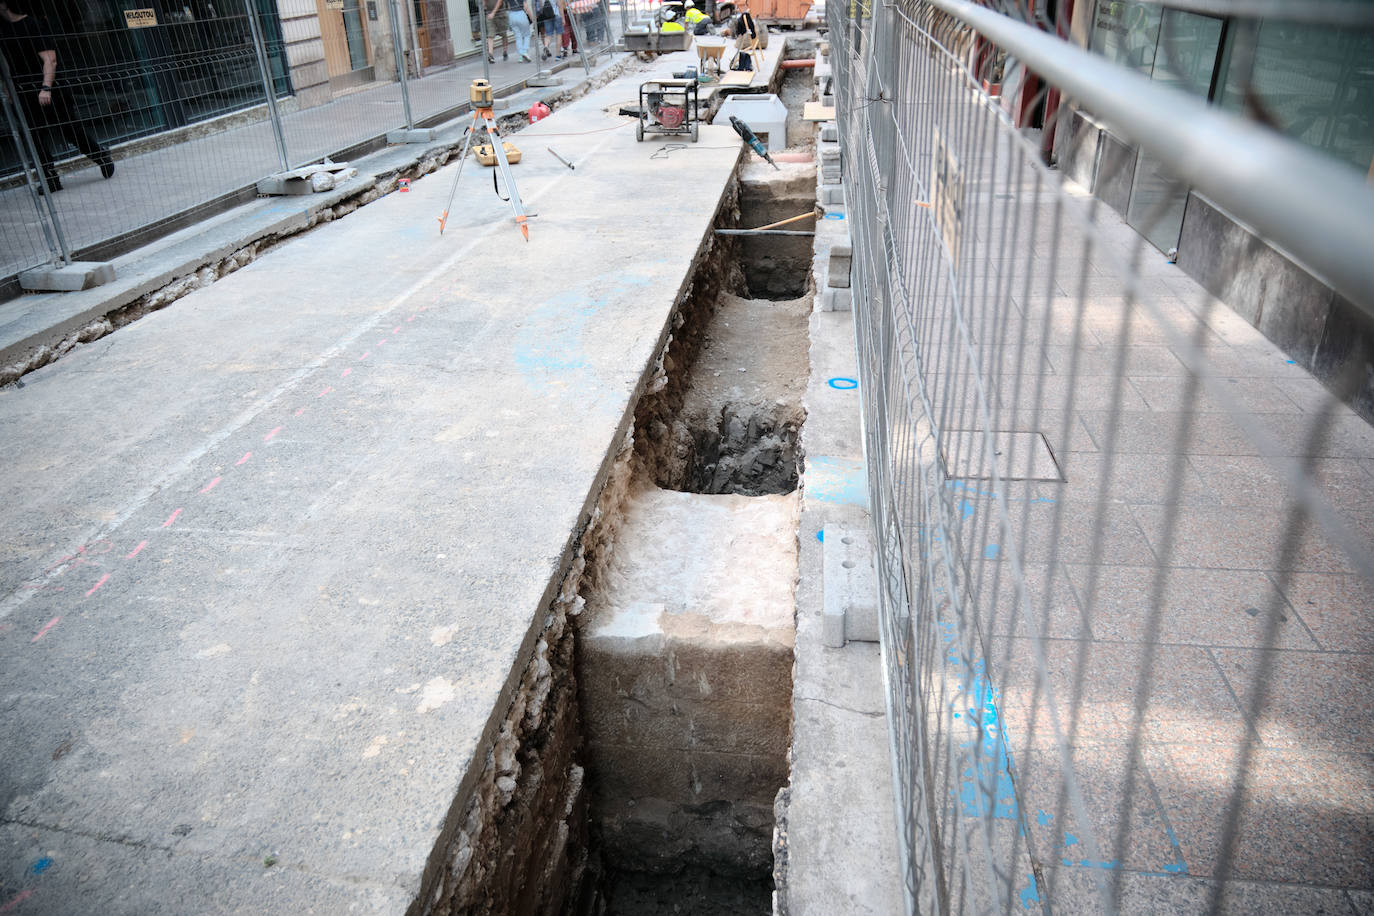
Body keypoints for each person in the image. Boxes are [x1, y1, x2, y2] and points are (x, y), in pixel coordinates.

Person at [0, 0, 113, 192]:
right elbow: (7, 65)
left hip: (49, 88)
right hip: (23, 92)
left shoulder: (33, 25)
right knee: (35, 137)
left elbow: (50, 60)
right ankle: (51, 180)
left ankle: (100, 156)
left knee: (70, 130)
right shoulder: (3, 31)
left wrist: (46, 88)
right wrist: (8, 89)